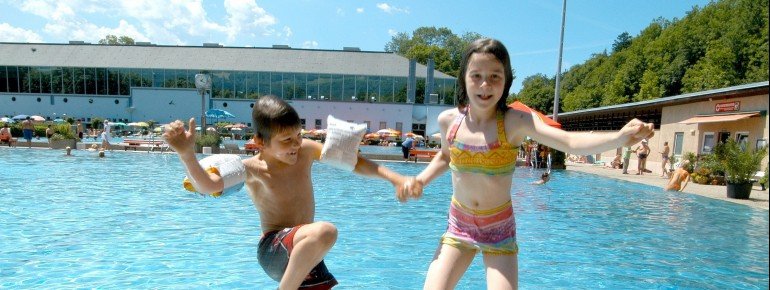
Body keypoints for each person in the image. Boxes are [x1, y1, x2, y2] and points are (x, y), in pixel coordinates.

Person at [401, 38, 654, 289]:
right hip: (459, 224)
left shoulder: (515, 122)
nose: (485, 84)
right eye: (476, 75)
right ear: (464, 78)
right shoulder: (449, 121)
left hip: (498, 228)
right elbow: (446, 156)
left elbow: (568, 141)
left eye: (495, 76)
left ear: (507, 80)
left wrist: (619, 137)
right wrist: (421, 179)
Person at [163, 95, 412, 289]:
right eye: (286, 140)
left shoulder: (306, 151)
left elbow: (353, 162)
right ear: (260, 141)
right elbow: (208, 186)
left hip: (306, 251)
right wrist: (186, 154)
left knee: (320, 236)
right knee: (326, 231)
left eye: (298, 136)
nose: (295, 145)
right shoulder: (252, 169)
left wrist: (395, 178)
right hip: (274, 250)